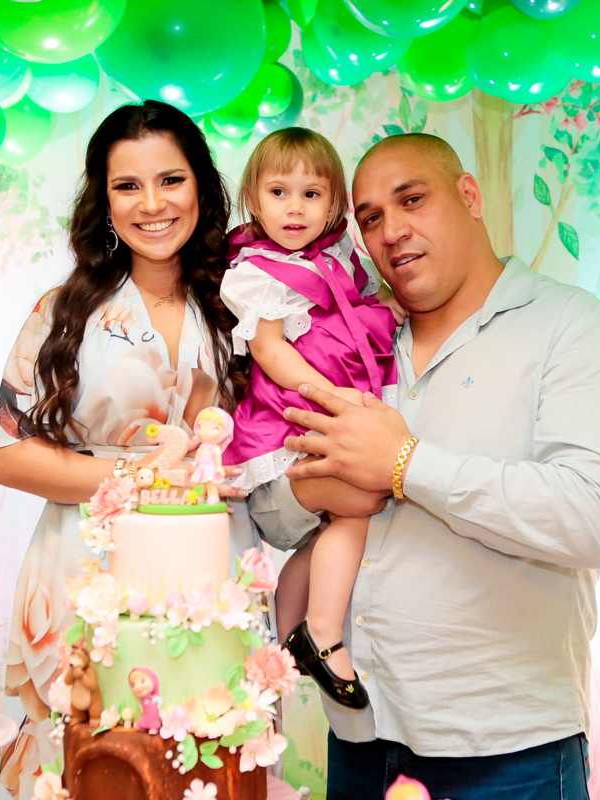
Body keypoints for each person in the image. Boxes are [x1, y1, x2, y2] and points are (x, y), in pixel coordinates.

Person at [249, 133, 600, 800]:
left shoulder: (567, 326)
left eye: (412, 200)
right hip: (359, 741)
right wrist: (319, 491)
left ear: (469, 195)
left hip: (509, 754)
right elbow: (268, 515)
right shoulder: (351, 340)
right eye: (371, 217)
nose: (391, 231)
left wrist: (405, 464)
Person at [0, 101, 248, 800]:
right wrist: (139, 470)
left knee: (207, 766)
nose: (152, 204)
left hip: (206, 573)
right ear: (103, 201)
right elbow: (9, 455)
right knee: (87, 767)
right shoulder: (63, 312)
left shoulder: (241, 308)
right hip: (84, 568)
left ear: (202, 188)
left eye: (171, 180)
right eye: (127, 186)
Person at [219, 128, 403, 709]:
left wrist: (388, 305)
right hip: (287, 429)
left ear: (333, 204)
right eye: (279, 192)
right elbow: (270, 351)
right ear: (254, 199)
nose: (294, 208)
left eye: (311, 194)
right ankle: (322, 634)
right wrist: (332, 397)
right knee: (364, 497)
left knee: (335, 527)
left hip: (328, 420)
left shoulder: (339, 256)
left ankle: (285, 642)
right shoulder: (256, 273)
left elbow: (360, 305)